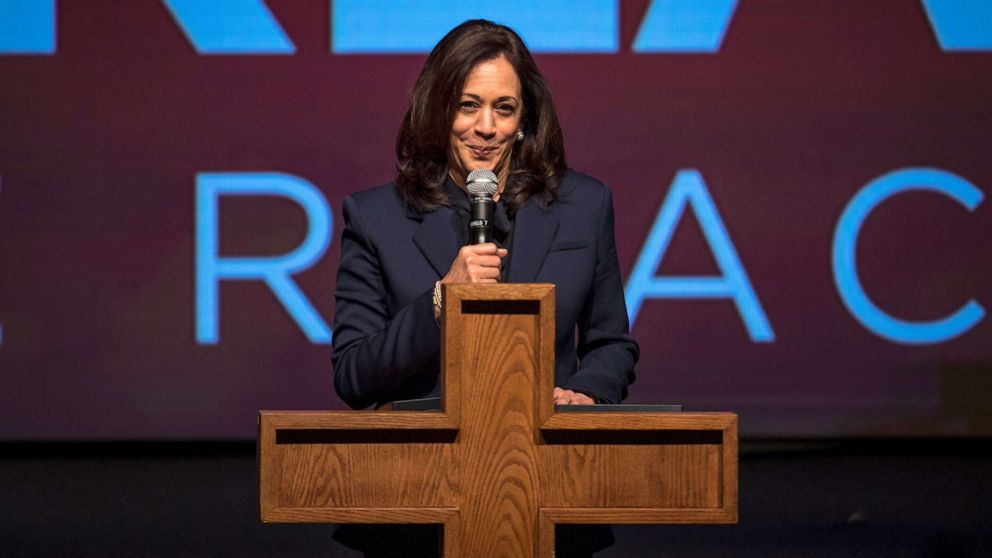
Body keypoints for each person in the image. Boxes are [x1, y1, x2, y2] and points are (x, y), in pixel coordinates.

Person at [331, 19, 639, 557]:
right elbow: (355, 374)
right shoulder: (377, 216)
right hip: (418, 497)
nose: (486, 127)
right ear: (437, 111)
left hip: (548, 488)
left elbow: (611, 343)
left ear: (524, 120)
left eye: (504, 108)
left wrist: (586, 392)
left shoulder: (583, 206)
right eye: (468, 105)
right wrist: (441, 298)